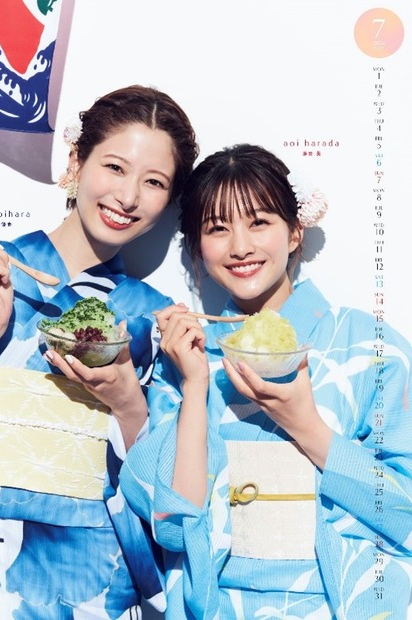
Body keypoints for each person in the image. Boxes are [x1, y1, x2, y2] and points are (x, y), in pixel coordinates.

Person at [120, 143, 412, 619]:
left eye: (259, 222)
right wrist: (195, 385)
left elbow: (405, 514)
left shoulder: (366, 347)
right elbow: (173, 527)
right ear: (196, 248)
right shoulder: (189, 356)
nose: (240, 246)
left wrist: (307, 428)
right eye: (217, 228)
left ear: (295, 232)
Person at [0, 84, 198, 619]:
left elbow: (174, 496)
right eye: (114, 167)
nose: (128, 197)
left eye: (154, 182)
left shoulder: (155, 322)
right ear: (76, 161)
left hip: (92, 577)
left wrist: (129, 404)